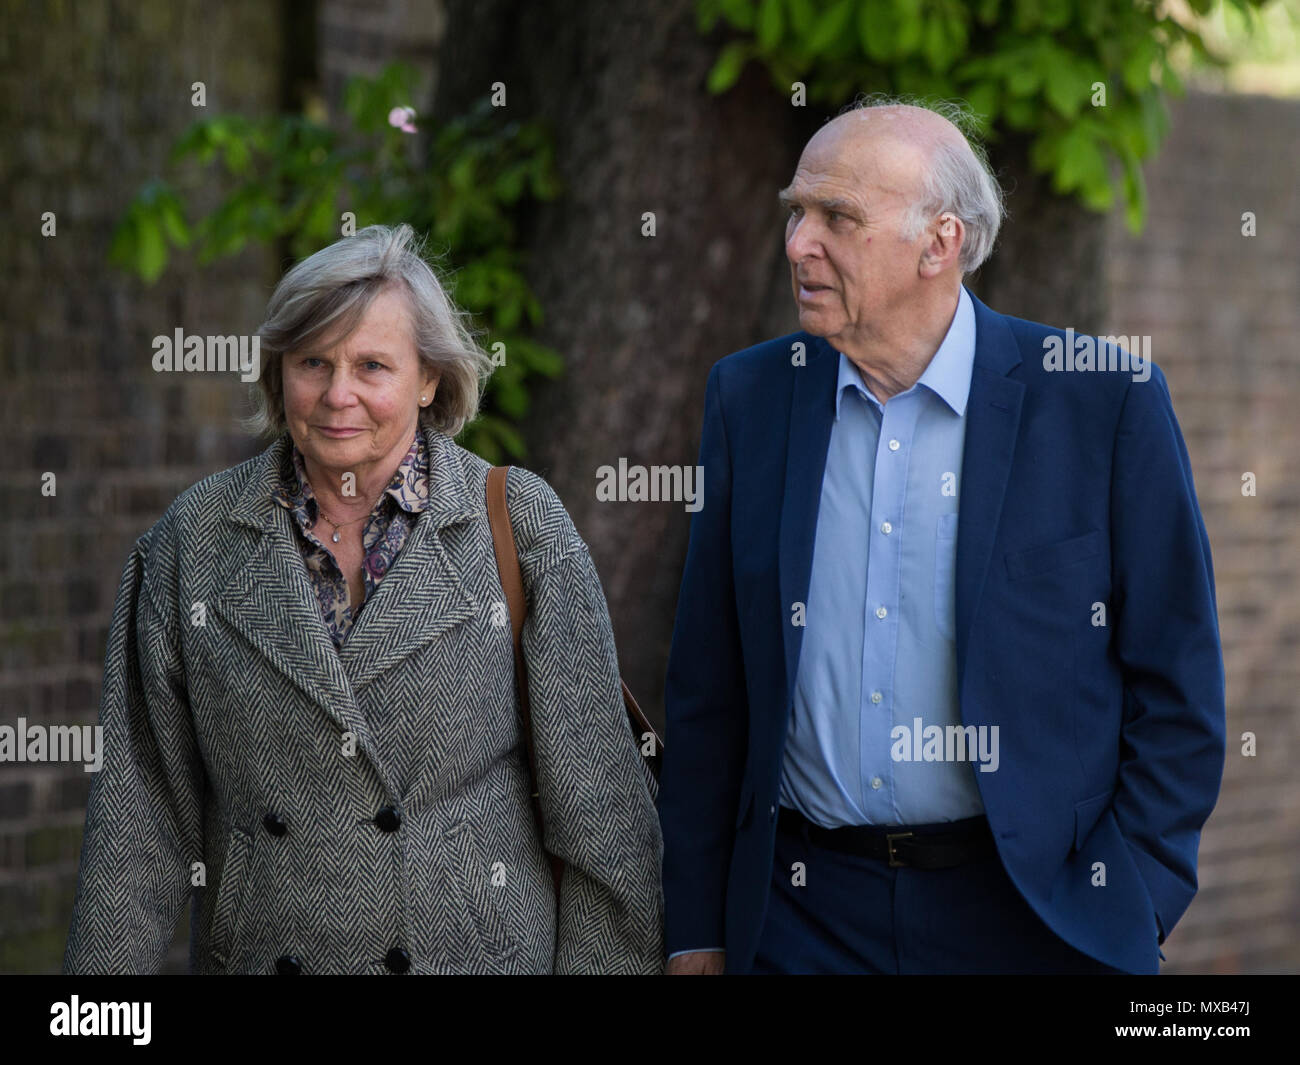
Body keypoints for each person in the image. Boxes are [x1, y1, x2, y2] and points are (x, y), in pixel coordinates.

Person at [658, 98, 1225, 975]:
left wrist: (1129, 906)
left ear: (940, 243)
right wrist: (699, 925)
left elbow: (1179, 691)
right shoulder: (753, 398)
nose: (799, 242)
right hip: (805, 919)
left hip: (1033, 919)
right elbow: (709, 687)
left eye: (837, 218)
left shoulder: (1102, 402)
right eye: (796, 213)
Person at [63, 223, 663, 974]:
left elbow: (602, 817)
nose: (338, 394)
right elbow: (137, 817)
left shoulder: (516, 524)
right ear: (279, 372)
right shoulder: (194, 540)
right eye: (313, 362)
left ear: (429, 379)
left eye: (372, 365)